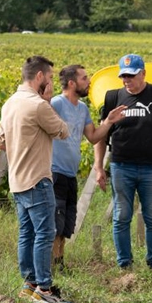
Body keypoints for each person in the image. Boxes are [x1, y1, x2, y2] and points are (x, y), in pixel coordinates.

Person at [0, 55, 73, 303]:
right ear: (39, 77)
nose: (51, 82)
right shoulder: (38, 105)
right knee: (45, 233)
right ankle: (44, 288)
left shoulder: (10, 103)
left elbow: (1, 141)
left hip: (17, 179)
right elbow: (63, 131)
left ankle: (28, 285)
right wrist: (48, 101)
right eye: (49, 78)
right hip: (38, 178)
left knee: (26, 233)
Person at [93, 54, 152, 273]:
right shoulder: (113, 97)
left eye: (131, 76)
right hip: (122, 167)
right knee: (121, 216)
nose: (126, 81)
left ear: (143, 74)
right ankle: (125, 266)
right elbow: (102, 135)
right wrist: (98, 167)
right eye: (123, 76)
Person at [50, 64, 126, 271]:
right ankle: (53, 267)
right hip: (53, 172)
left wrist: (109, 121)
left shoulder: (82, 108)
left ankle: (59, 263)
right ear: (72, 83)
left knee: (66, 224)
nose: (89, 82)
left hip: (69, 173)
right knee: (55, 222)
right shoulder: (55, 103)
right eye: (84, 78)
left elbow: (93, 137)